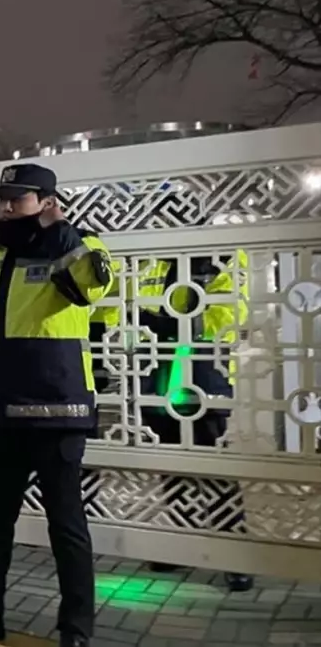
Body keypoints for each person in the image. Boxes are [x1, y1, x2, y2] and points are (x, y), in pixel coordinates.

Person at [0, 164, 113, 647]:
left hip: (59, 410)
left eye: (19, 197)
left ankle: (76, 631)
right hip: (1, 410)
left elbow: (92, 288)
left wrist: (59, 231)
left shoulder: (80, 245)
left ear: (48, 201)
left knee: (66, 527)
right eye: (2, 198)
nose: (7, 206)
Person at [134, 250, 253, 591]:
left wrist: (166, 320)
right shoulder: (153, 259)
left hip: (203, 378)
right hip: (159, 377)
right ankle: (181, 545)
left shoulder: (225, 259)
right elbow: (134, 310)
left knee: (215, 470)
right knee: (173, 467)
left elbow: (227, 317)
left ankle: (235, 555)